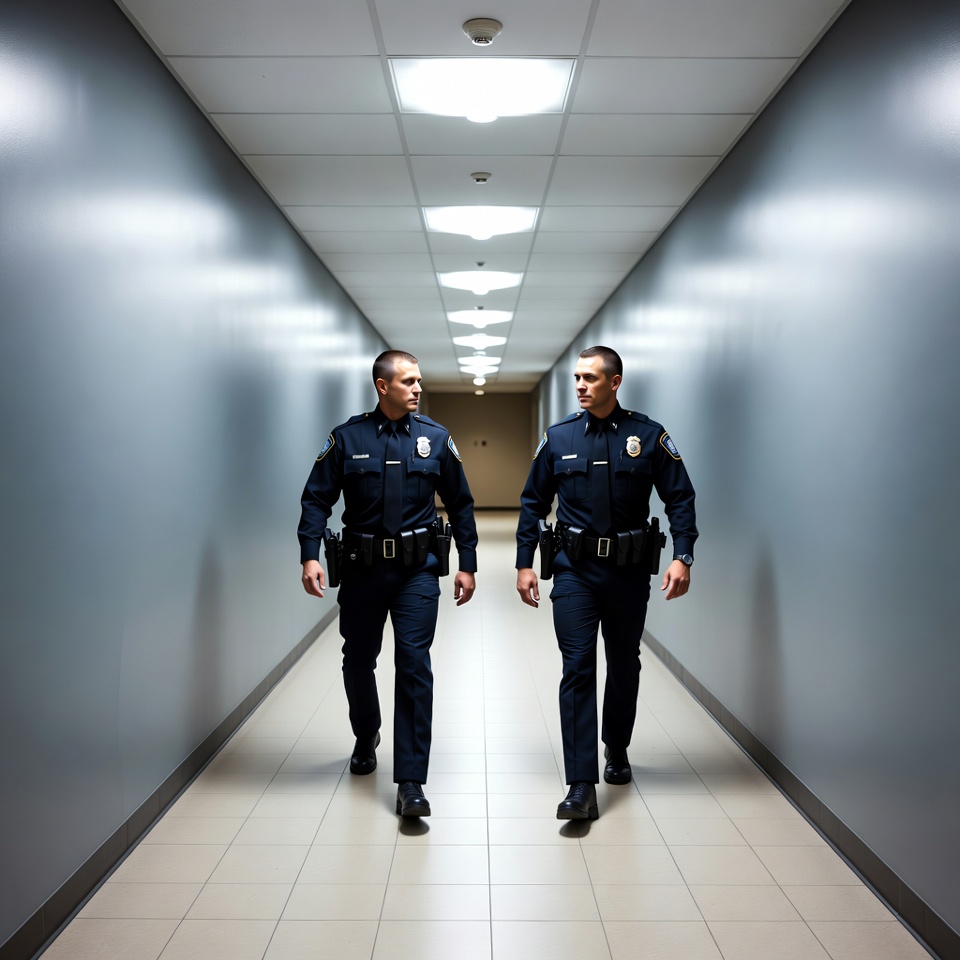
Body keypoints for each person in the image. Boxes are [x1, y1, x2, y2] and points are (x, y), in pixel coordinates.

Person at [515, 345, 697, 820]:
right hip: (574, 571)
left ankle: (616, 747)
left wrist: (683, 556)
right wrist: (524, 562)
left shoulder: (648, 436)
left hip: (627, 571)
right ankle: (580, 784)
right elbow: (532, 503)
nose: (580, 385)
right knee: (577, 667)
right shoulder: (558, 438)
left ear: (614, 382)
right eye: (577, 377)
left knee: (623, 664)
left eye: (590, 378)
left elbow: (680, 497)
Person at [299, 350, 478, 818]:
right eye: (408, 382)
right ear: (383, 387)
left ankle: (411, 782)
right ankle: (366, 732)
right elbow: (316, 499)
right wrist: (309, 555)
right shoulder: (347, 438)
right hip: (361, 570)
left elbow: (460, 504)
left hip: (417, 571)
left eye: (420, 381)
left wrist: (468, 562)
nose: (418, 389)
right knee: (358, 659)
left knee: (414, 663)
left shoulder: (436, 439)